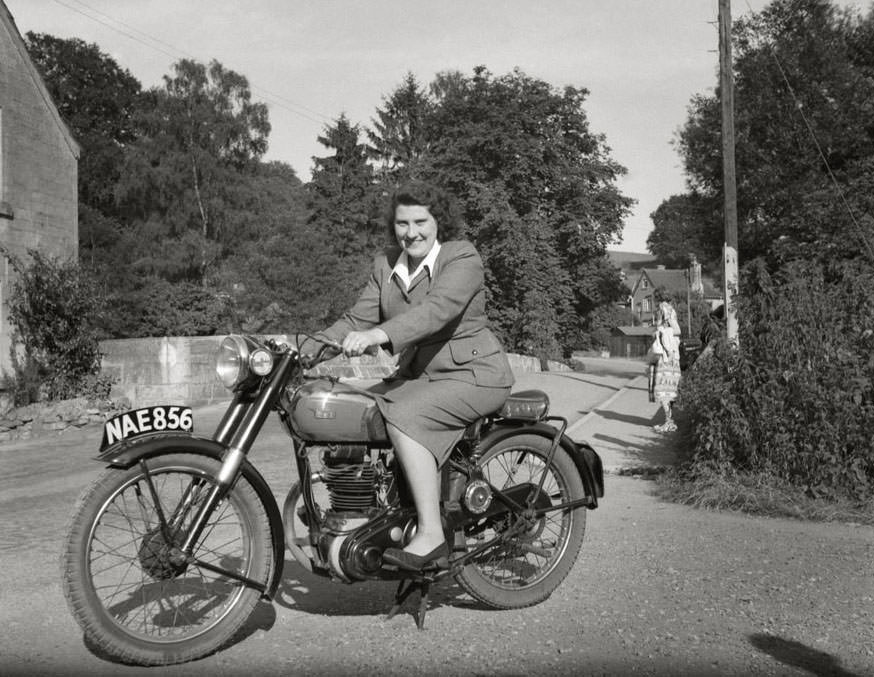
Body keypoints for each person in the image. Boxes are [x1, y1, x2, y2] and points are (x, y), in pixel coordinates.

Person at [315, 180, 515, 571]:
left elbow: (438, 309)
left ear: (439, 221)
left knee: (402, 414)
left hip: (474, 374)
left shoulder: (461, 258)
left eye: (420, 221)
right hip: (419, 377)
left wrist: (380, 336)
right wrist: (301, 349)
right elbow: (355, 319)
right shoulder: (386, 265)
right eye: (402, 224)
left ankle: (431, 534)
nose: (411, 232)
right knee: (354, 409)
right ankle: (373, 510)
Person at [651, 298, 681, 433]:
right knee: (666, 392)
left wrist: (663, 332)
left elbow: (678, 330)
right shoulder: (664, 321)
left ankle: (669, 422)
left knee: (664, 392)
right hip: (667, 360)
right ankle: (668, 421)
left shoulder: (669, 319)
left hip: (668, 361)